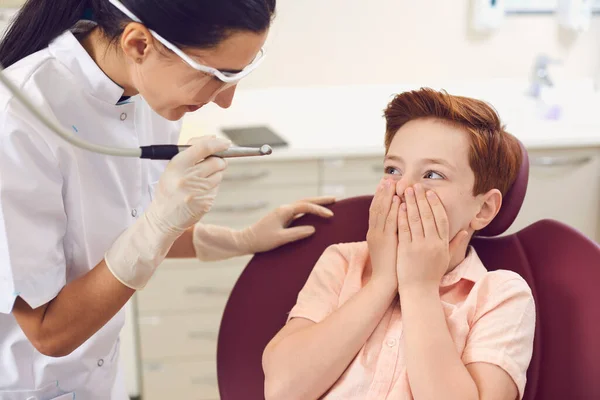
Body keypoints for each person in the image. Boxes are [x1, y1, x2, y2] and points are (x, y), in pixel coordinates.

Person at [0, 0, 335, 399]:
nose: (225, 100)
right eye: (216, 74)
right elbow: (48, 333)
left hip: (97, 381)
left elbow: (128, 230)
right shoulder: (16, 121)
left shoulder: (150, 93)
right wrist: (159, 222)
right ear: (139, 44)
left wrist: (241, 239)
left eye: (241, 73)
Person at [262, 88, 536, 400]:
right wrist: (383, 280)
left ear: (483, 209)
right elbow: (282, 390)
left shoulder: (500, 295)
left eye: (432, 174)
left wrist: (418, 287)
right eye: (393, 169)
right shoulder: (342, 261)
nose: (403, 187)